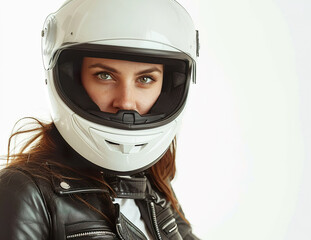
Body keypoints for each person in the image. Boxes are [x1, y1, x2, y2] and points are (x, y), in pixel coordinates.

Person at [0, 0, 200, 239]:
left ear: (168, 87)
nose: (126, 102)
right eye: (104, 76)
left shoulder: (153, 187)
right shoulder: (25, 192)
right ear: (74, 80)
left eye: (145, 79)